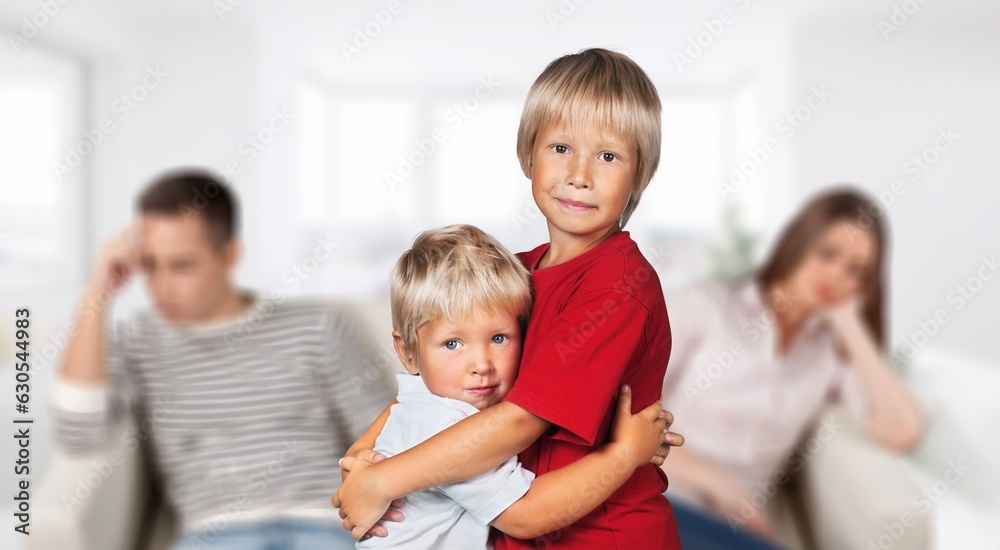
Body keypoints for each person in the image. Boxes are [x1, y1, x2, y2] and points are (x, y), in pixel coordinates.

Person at [334, 48, 684, 549]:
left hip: (601, 536)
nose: (580, 174)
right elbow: (425, 390)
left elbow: (521, 421)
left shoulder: (617, 288)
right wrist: (362, 458)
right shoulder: (509, 272)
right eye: (561, 147)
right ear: (528, 154)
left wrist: (385, 481)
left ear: (639, 174)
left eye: (608, 156)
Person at [49, 169, 395, 549]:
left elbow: (383, 436)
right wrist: (98, 288)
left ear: (228, 254)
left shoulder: (316, 326)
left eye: (182, 265)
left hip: (324, 524)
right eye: (149, 265)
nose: (162, 286)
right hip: (217, 533)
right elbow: (77, 433)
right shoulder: (141, 340)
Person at [356, 224, 669, 549]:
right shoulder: (449, 424)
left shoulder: (420, 406)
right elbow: (526, 516)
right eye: (452, 344)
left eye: (499, 338)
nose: (482, 365)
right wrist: (625, 454)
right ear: (407, 352)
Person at [660, 187, 925, 549]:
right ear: (799, 242)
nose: (835, 275)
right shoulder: (705, 306)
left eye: (856, 271)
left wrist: (851, 324)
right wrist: (719, 484)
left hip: (734, 530)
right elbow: (622, 416)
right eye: (827, 254)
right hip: (662, 497)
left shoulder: (831, 355)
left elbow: (902, 430)